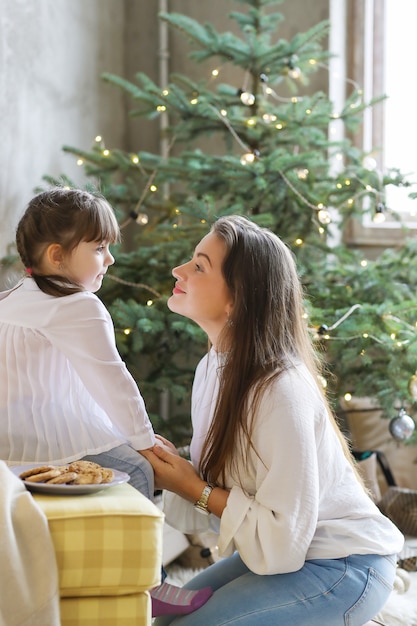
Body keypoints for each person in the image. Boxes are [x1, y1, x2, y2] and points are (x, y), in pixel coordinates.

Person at [141, 215, 404, 626]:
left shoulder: (281, 390)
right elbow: (232, 483)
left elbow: (281, 540)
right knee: (161, 618)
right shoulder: (212, 369)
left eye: (199, 265)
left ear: (237, 299)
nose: (179, 271)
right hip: (291, 558)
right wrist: (176, 466)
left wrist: (189, 485)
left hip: (346, 566)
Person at [0, 187, 212, 617]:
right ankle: (149, 580)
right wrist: (142, 440)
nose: (110, 259)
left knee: (129, 452)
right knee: (136, 467)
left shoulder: (11, 299)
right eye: (99, 248)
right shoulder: (79, 306)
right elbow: (113, 381)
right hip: (49, 443)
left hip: (12, 442)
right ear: (57, 256)